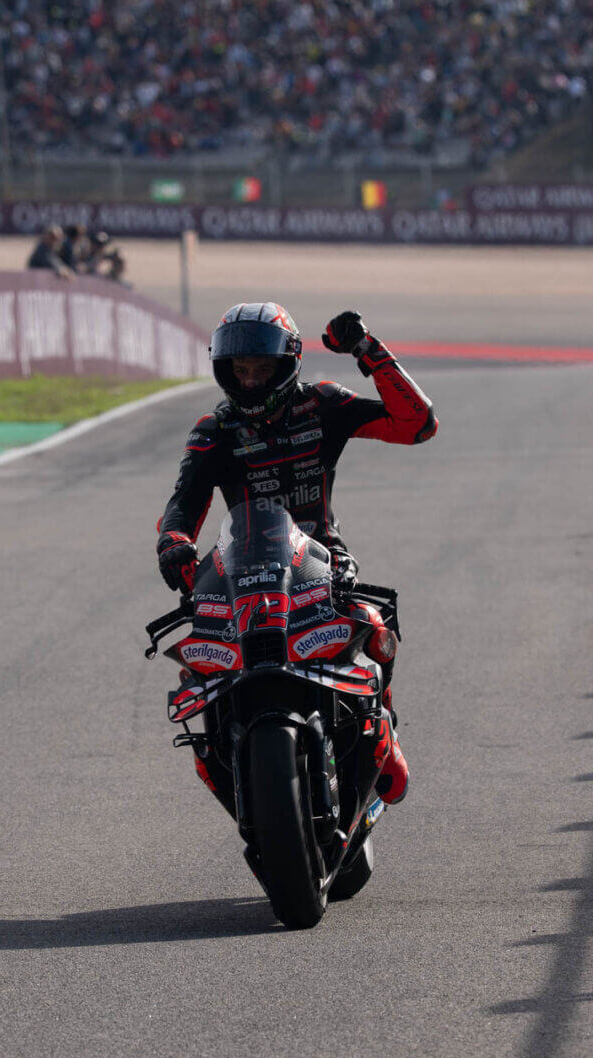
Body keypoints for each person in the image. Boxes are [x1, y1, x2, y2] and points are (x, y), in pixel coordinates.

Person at [156, 302, 439, 809]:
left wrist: (367, 350)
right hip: (242, 573)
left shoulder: (323, 404)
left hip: (321, 563)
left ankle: (383, 727)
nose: (250, 381)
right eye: (240, 370)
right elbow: (183, 504)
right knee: (201, 662)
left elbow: (417, 424)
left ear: (286, 365)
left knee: (372, 623)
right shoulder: (212, 431)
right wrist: (174, 543)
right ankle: (219, 749)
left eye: (262, 369)